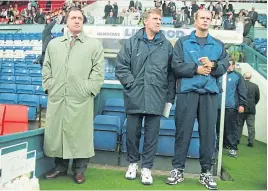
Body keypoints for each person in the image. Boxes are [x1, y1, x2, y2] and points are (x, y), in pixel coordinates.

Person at [166, 10, 229, 190]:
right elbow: (175, 66)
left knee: (208, 134)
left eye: (208, 18)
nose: (205, 21)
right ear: (195, 21)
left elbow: (224, 65)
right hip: (187, 94)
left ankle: (206, 172)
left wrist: (213, 65)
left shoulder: (218, 45)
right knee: (182, 133)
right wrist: (197, 69)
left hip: (209, 94)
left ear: (211, 21)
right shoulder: (183, 42)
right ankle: (177, 170)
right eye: (202, 18)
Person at [42, 7, 104, 184]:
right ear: (67, 21)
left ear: (83, 21)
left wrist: (87, 90)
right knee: (58, 132)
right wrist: (49, 87)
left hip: (81, 99)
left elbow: (98, 73)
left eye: (80, 18)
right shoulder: (54, 45)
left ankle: (79, 170)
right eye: (73, 18)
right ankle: (60, 166)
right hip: (58, 97)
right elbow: (46, 68)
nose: (77, 20)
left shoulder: (94, 45)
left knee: (80, 134)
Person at [115, 8, 176, 185]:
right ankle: (133, 164)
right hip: (135, 96)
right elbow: (121, 66)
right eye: (155, 19)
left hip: (157, 97)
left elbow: (171, 75)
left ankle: (147, 168)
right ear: (145, 21)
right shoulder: (131, 43)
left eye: (160, 19)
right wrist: (132, 84)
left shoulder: (166, 45)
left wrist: (169, 97)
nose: (159, 22)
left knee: (152, 136)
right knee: (132, 133)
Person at [216, 59, 247, 157]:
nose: (227, 66)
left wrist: (242, 104)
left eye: (229, 64)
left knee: (231, 128)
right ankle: (217, 147)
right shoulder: (219, 75)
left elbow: (242, 91)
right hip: (217, 107)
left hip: (231, 107)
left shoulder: (237, 76)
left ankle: (233, 148)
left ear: (233, 66)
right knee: (216, 128)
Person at [237, 72, 260, 147]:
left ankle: (237, 139)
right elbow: (257, 98)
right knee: (251, 126)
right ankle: (251, 142)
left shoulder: (240, 85)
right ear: (250, 77)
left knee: (239, 125)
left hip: (241, 108)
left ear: (243, 77)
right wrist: (253, 104)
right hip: (251, 109)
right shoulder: (255, 86)